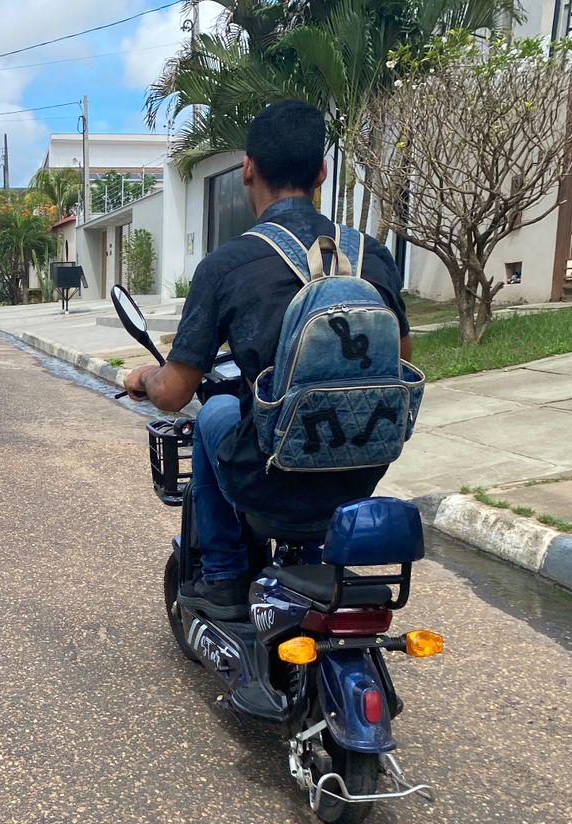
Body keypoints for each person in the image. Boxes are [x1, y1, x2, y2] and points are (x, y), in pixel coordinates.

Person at [123, 100, 411, 619]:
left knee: (213, 414)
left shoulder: (229, 265)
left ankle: (224, 576)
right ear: (322, 172)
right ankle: (316, 562)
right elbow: (402, 357)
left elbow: (174, 392)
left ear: (247, 169)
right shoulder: (373, 256)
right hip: (360, 474)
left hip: (271, 482)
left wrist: (143, 375)